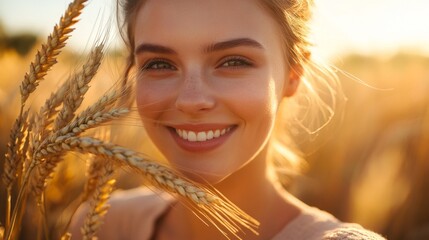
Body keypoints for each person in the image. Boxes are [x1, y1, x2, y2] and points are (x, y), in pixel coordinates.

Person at [70, 0, 386, 239]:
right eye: (159, 64)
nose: (191, 100)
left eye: (233, 61)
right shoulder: (102, 223)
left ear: (293, 74)